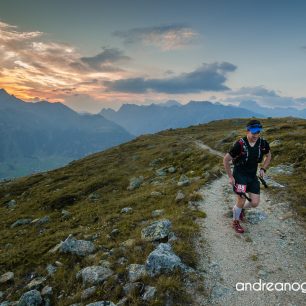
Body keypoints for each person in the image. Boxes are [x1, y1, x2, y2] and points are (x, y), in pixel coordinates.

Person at [223, 119, 272, 233]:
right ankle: (235, 222)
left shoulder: (263, 143)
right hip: (239, 174)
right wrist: (230, 177)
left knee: (254, 203)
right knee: (241, 198)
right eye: (253, 132)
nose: (256, 135)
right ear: (248, 131)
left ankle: (239, 210)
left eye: (258, 132)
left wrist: (263, 168)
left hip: (252, 176)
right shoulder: (240, 144)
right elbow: (226, 159)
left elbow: (269, 156)